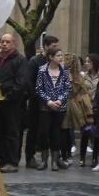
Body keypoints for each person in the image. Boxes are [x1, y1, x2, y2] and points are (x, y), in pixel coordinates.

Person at [0, 34, 31, 172]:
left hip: (12, 103)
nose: (4, 44)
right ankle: (0, 160)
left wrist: (9, 95)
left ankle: (12, 162)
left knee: (12, 132)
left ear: (13, 44)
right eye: (2, 41)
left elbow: (22, 81)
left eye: (7, 42)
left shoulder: (20, 60)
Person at [25, 35, 60, 169]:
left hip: (52, 102)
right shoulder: (35, 61)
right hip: (37, 101)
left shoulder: (57, 61)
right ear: (46, 46)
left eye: (57, 46)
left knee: (51, 130)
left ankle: (55, 159)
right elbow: (29, 81)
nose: (56, 49)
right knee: (33, 129)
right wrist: (36, 96)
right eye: (53, 46)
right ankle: (30, 157)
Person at [35, 48, 71, 172]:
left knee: (56, 133)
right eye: (58, 55)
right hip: (46, 107)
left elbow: (67, 88)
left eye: (61, 55)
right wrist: (49, 101)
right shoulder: (42, 71)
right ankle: (44, 160)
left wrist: (60, 100)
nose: (60, 58)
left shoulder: (65, 71)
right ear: (51, 57)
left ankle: (55, 161)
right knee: (44, 132)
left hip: (60, 108)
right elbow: (39, 89)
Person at [63, 54, 94, 167]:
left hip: (76, 105)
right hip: (67, 104)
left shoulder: (79, 77)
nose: (67, 64)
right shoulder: (64, 74)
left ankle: (79, 155)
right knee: (66, 130)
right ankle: (67, 155)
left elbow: (82, 91)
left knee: (82, 129)